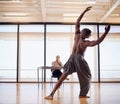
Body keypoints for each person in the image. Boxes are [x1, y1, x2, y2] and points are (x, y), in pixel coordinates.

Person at [45, 6, 110, 100]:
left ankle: (51, 94)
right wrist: (106, 33)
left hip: (72, 57)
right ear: (87, 35)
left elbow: (77, 22)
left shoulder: (76, 35)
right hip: (79, 59)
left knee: (63, 77)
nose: (89, 37)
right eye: (89, 35)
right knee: (87, 76)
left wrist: (84, 12)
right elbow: (97, 41)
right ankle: (82, 94)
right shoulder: (85, 43)